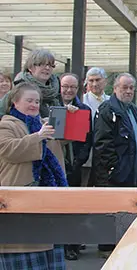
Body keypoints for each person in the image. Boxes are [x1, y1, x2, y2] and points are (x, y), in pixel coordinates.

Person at [0, 83, 67, 269]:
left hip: (45, 203)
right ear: (15, 102)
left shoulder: (42, 125)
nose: (34, 105)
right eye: (29, 100)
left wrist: (65, 119)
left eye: (37, 101)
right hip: (18, 204)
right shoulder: (6, 124)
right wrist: (38, 136)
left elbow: (57, 160)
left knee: (47, 251)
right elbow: (9, 150)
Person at [93, 73, 137, 258]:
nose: (129, 91)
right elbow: (102, 144)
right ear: (114, 88)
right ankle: (107, 248)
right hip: (115, 173)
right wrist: (113, 168)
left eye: (131, 88)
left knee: (127, 210)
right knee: (112, 210)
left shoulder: (132, 110)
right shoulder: (107, 109)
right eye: (125, 87)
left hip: (132, 169)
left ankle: (123, 245)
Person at [58, 73, 94, 261]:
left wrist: (78, 161)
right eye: (65, 86)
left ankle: (72, 245)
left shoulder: (84, 109)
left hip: (74, 165)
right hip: (55, 163)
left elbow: (88, 139)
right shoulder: (51, 107)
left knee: (73, 206)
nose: (69, 90)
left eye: (72, 87)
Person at [0, 49, 60, 118]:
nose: (47, 68)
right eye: (42, 64)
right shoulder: (18, 90)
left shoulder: (56, 90)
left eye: (51, 65)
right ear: (30, 67)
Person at [82, 67, 110, 187]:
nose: (94, 84)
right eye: (91, 80)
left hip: (105, 157)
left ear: (105, 81)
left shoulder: (111, 101)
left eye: (98, 80)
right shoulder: (82, 102)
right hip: (86, 157)